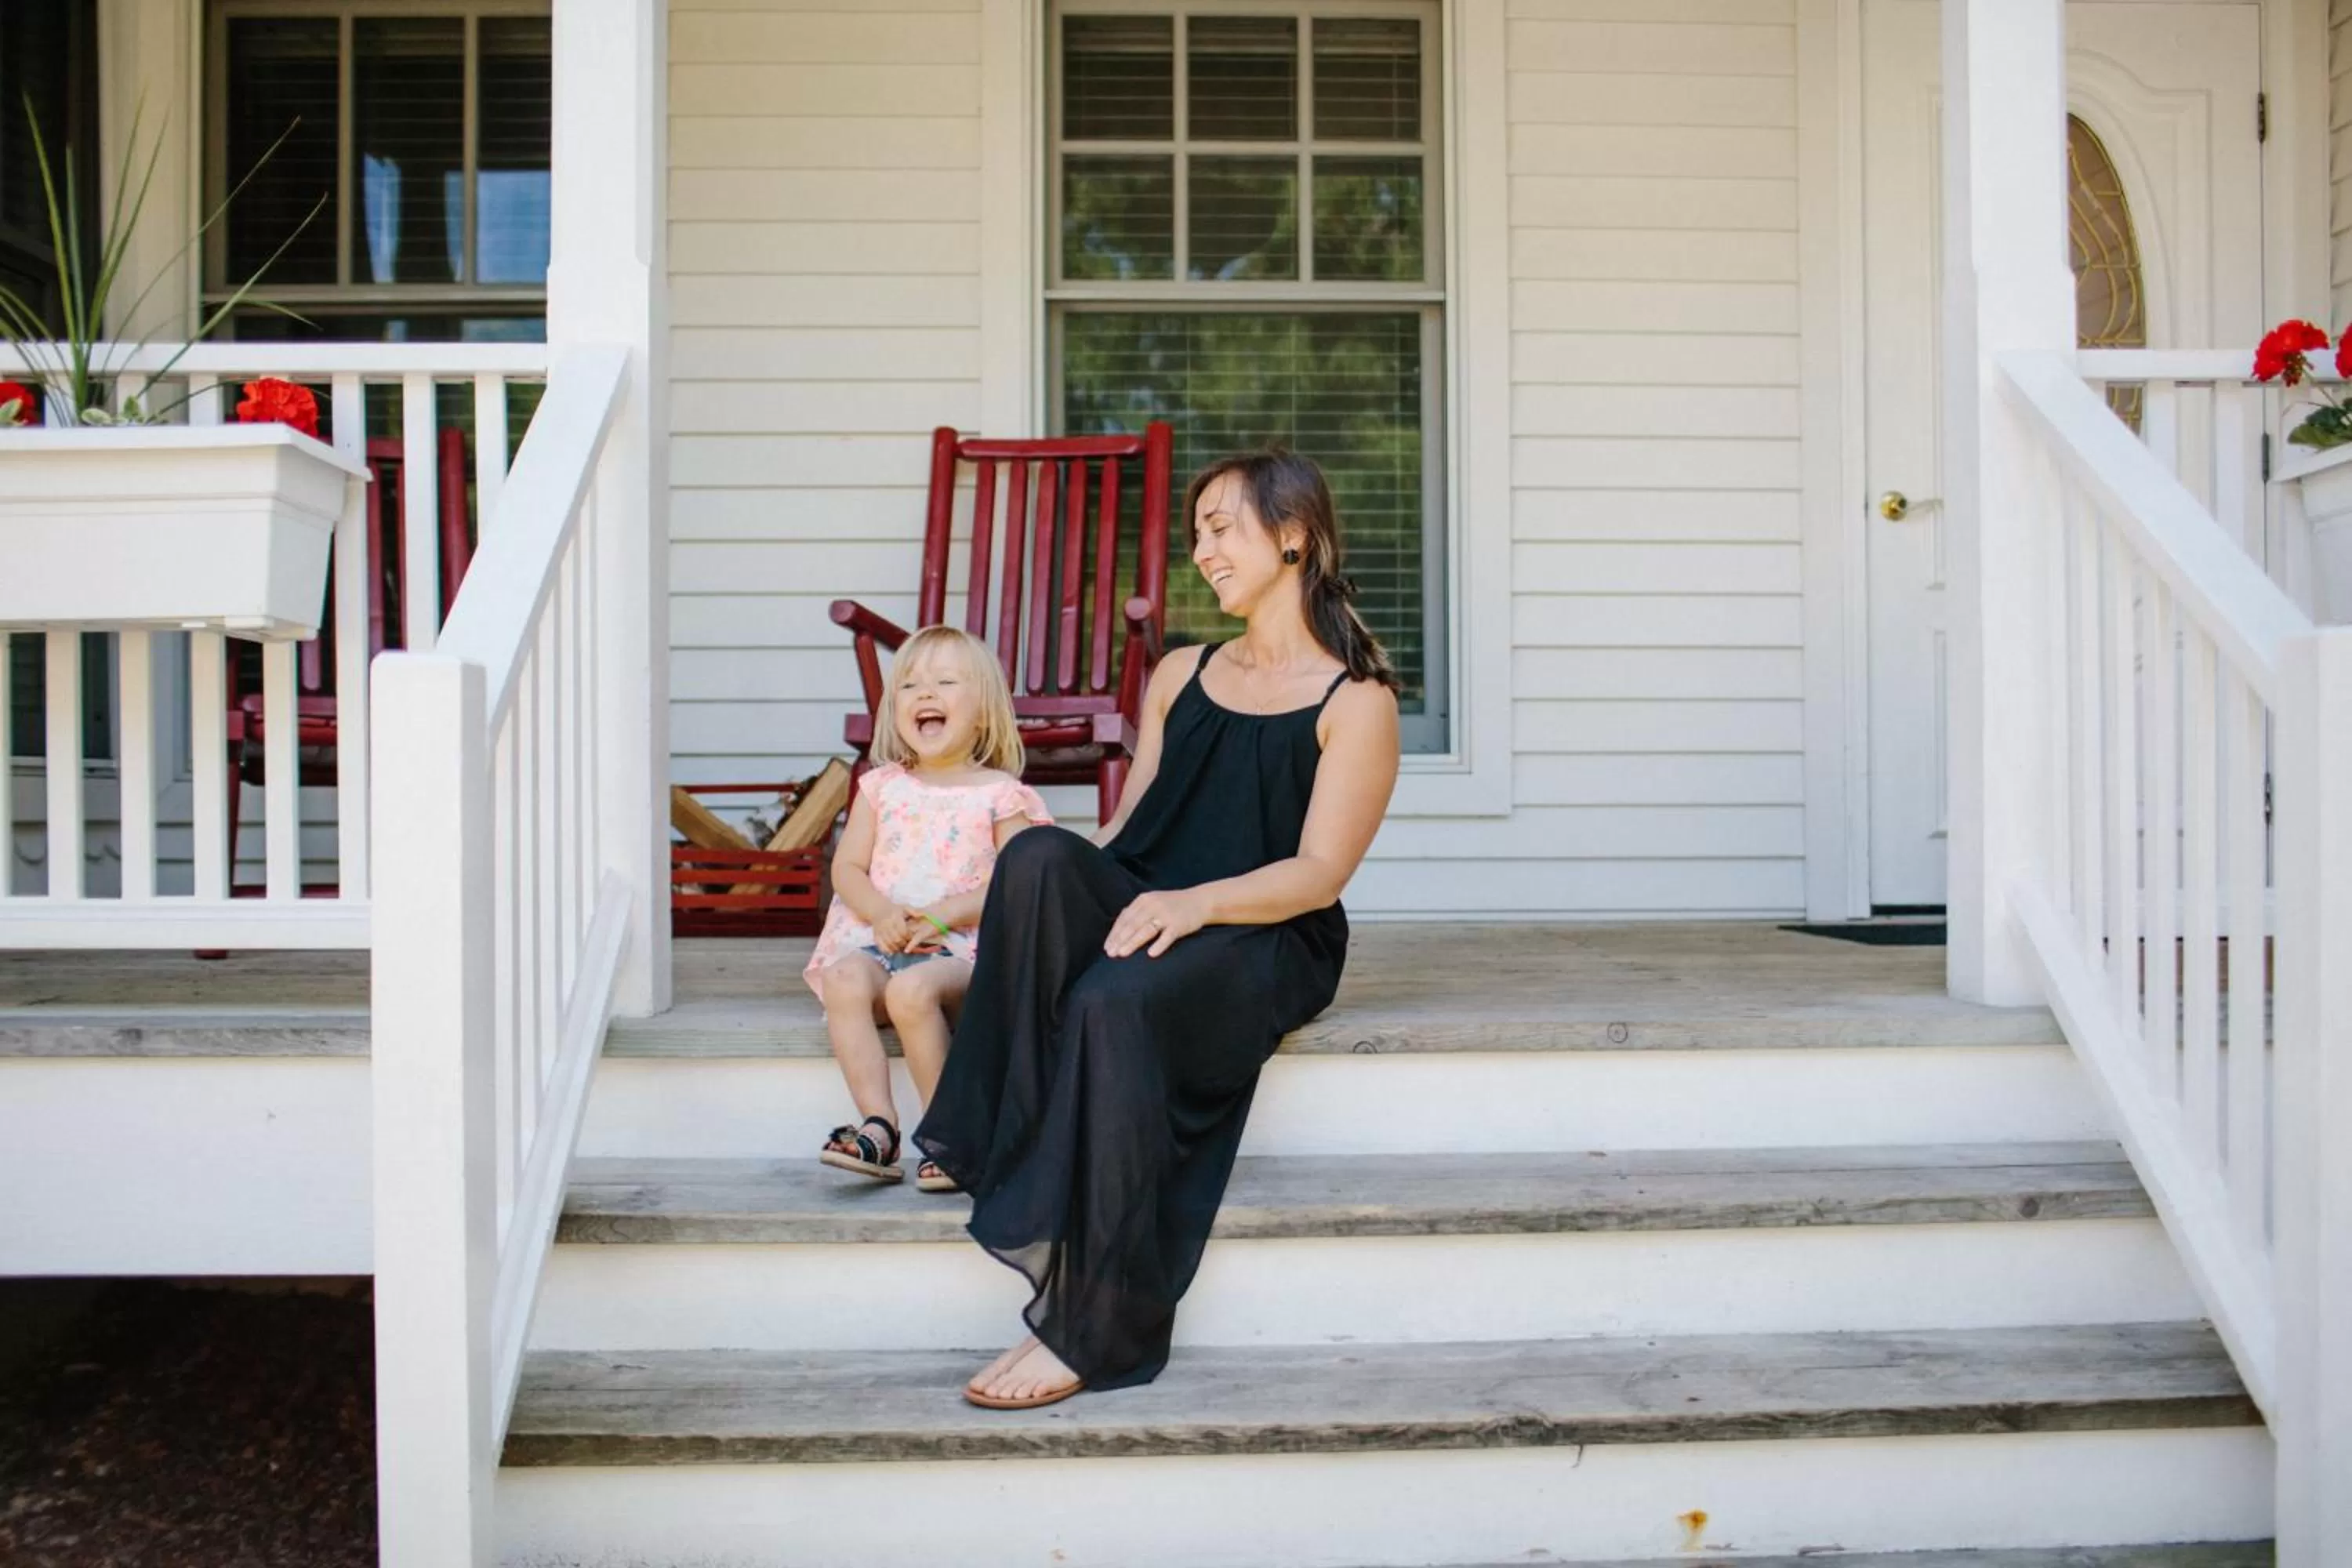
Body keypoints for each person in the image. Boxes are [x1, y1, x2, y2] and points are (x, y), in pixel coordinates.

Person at [914, 448, 1402, 1410]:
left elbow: (1319, 873)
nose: (1204, 550)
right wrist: (995, 917)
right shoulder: (1183, 671)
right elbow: (1124, 836)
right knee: (1036, 857)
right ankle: (993, 1138)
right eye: (1198, 533)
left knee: (1111, 1000)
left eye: (1223, 528)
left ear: (1294, 536)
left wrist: (1196, 904)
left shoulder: (1359, 701)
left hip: (1266, 930)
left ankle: (1093, 1325)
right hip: (1154, 900)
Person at [804, 625, 1051, 1191]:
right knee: (844, 979)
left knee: (911, 991)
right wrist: (883, 912)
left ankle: (949, 1135)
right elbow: (847, 869)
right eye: (910, 686)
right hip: (881, 939)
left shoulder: (1001, 795)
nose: (925, 694)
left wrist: (945, 915)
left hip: (962, 949)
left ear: (983, 714)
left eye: (944, 682)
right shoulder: (880, 787)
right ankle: (879, 1126)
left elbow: (1020, 884)